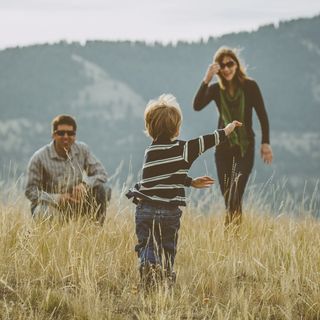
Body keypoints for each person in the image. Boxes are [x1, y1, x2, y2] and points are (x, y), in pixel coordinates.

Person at [126, 94, 241, 287]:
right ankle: (165, 276)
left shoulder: (150, 151)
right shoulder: (185, 149)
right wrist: (227, 130)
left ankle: (148, 265)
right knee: (167, 246)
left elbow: (163, 175)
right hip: (169, 211)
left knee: (147, 243)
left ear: (149, 128)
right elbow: (208, 141)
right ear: (177, 129)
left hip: (145, 208)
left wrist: (189, 181)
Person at [193, 47, 273, 227]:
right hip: (222, 150)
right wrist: (207, 78)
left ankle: (231, 235)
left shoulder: (250, 86)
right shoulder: (215, 89)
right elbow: (197, 105)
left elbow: (262, 115)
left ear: (237, 65)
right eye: (222, 65)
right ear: (218, 69)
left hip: (245, 148)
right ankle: (233, 238)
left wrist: (265, 143)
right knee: (229, 196)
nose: (227, 68)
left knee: (236, 191)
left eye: (230, 64)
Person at [25, 114, 110, 223]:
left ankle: (95, 231)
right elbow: (30, 191)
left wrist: (84, 185)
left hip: (76, 203)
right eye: (61, 133)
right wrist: (57, 198)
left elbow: (102, 174)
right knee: (44, 212)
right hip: (50, 206)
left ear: (75, 136)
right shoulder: (39, 158)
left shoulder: (82, 150)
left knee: (102, 189)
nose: (66, 136)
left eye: (70, 133)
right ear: (53, 135)